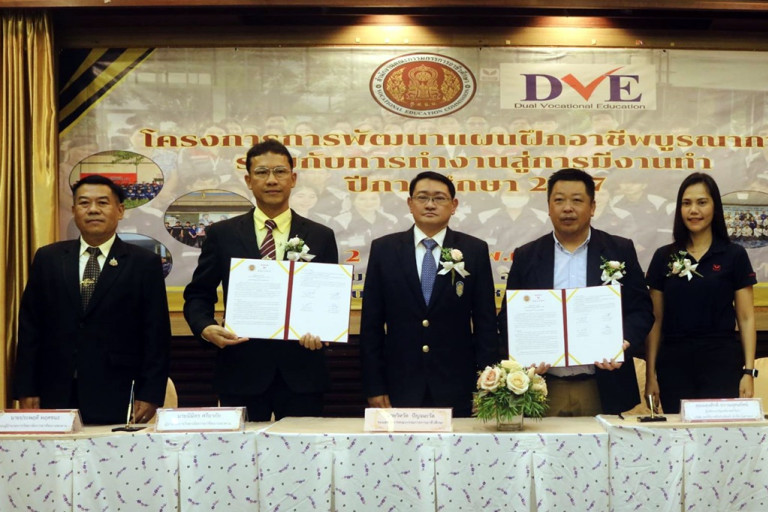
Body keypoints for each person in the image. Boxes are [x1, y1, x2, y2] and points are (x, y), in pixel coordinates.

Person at [183, 139, 338, 421]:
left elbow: (328, 300)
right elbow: (198, 295)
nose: (271, 180)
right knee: (238, 450)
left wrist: (323, 331)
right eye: (262, 172)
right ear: (248, 180)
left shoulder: (321, 235)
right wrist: (205, 327)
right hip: (241, 370)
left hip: (302, 371)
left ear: (293, 179)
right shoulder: (222, 234)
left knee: (303, 448)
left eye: (280, 172)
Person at [14, 175, 171, 424]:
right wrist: (26, 388)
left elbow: (156, 333)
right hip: (54, 390)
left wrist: (150, 393)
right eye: (84, 203)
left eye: (103, 203)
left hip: (117, 390)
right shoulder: (48, 259)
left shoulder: (143, 263)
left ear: (120, 210)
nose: (93, 210)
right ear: (74, 210)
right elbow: (30, 328)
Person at [498, 168, 653, 416]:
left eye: (577, 200)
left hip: (603, 384)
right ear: (549, 207)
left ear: (592, 207)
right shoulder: (527, 255)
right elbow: (509, 317)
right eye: (559, 200)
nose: (567, 208)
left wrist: (622, 342)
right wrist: (526, 355)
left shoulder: (619, 250)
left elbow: (641, 310)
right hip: (543, 386)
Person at [359, 171, 498, 417]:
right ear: (410, 203)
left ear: (454, 205)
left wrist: (486, 386)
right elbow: (371, 325)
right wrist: (374, 386)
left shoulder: (474, 250)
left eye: (439, 198)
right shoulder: (384, 250)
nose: (430, 204)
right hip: (399, 385)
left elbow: (485, 324)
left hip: (458, 385)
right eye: (422, 197)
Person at [644, 173, 756, 414]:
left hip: (721, 361)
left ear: (715, 206)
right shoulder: (664, 256)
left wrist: (748, 371)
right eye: (686, 203)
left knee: (719, 432)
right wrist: (650, 375)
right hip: (674, 364)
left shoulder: (734, 255)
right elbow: (655, 320)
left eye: (702, 202)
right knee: (678, 432)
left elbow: (746, 318)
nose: (693, 210)